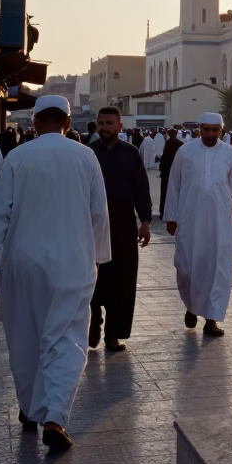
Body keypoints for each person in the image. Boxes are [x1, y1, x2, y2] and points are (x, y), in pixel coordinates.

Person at [0, 95, 109, 452]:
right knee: (66, 337)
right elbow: (99, 214)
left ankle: (31, 407)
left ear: (34, 123)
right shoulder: (85, 156)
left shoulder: (18, 156)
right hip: (72, 262)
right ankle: (54, 416)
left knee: (26, 335)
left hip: (22, 262)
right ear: (68, 122)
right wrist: (98, 257)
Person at [164, 113, 232, 336]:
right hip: (190, 219)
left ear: (221, 130)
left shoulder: (229, 153)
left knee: (218, 270)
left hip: (220, 221)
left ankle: (211, 319)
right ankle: (191, 306)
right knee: (186, 267)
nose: (211, 134)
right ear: (199, 129)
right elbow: (174, 185)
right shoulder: (185, 152)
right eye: (206, 130)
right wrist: (171, 216)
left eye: (215, 130)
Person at [88, 107, 153, 352]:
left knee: (122, 282)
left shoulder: (131, 153)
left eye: (109, 123)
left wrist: (145, 221)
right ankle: (92, 323)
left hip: (124, 227)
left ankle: (113, 334)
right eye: (100, 123)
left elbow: (141, 189)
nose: (104, 127)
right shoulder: (87, 154)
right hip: (92, 228)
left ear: (120, 127)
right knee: (93, 280)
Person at [158, 128, 182, 220]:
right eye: (171, 133)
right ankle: (163, 212)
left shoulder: (180, 144)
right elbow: (164, 158)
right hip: (166, 173)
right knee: (165, 193)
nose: (172, 135)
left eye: (174, 133)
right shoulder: (167, 143)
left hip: (175, 172)